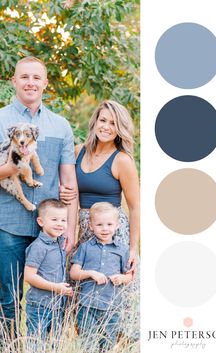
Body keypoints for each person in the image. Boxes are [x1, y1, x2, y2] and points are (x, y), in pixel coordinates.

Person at [0, 57, 78, 338]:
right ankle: (10, 346)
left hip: (51, 231)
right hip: (7, 224)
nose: (30, 82)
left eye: (36, 77)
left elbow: (69, 182)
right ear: (14, 81)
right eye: (24, 77)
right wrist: (11, 167)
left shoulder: (61, 126)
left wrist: (70, 228)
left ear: (45, 83)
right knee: (8, 298)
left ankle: (44, 346)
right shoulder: (1, 119)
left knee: (50, 297)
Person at [60, 99, 139, 273]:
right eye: (103, 120)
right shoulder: (78, 151)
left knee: (109, 289)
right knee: (80, 285)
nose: (106, 127)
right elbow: (67, 186)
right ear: (95, 121)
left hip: (111, 231)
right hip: (85, 227)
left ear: (120, 129)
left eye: (113, 123)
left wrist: (133, 249)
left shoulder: (122, 160)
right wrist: (62, 191)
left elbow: (135, 208)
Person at [70, 202, 132, 352]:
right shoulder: (85, 248)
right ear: (91, 226)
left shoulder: (122, 250)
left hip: (111, 306)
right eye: (99, 224)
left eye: (109, 224)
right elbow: (74, 273)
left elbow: (129, 276)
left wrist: (121, 278)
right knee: (88, 344)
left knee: (108, 343)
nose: (105, 228)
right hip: (87, 305)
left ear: (117, 225)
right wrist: (90, 273)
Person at [24, 199, 73, 343]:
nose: (60, 224)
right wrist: (56, 288)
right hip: (40, 305)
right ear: (41, 221)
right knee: (36, 343)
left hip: (58, 306)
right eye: (54, 219)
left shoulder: (60, 244)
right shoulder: (38, 247)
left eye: (63, 220)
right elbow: (29, 276)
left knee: (55, 344)